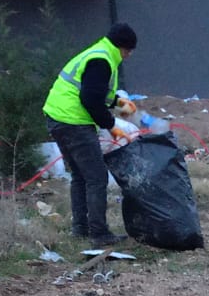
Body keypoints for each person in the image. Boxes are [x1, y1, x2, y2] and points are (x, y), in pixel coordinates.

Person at [42, 22, 138, 246]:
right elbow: (90, 99)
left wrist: (116, 101)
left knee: (80, 176)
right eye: (129, 51)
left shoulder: (99, 53)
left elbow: (92, 89)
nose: (129, 56)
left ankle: (80, 229)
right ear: (122, 47)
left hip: (57, 118)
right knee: (96, 177)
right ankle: (99, 233)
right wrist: (111, 125)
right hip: (73, 121)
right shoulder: (102, 60)